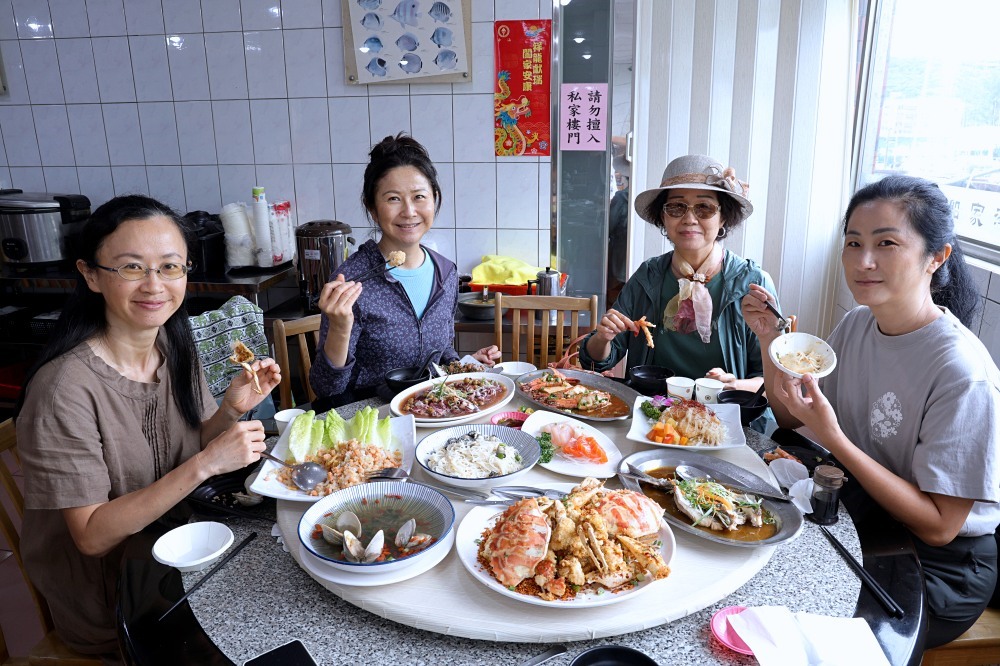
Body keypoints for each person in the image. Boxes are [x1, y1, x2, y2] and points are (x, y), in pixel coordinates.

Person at [14, 195, 280, 660]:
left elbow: (188, 444)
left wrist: (229, 412)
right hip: (115, 598)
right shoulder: (64, 389)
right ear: (91, 274)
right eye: (132, 268)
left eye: (170, 267)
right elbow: (92, 535)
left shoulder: (173, 345)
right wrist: (204, 465)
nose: (154, 285)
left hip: (177, 544)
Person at [742, 175, 1000, 647]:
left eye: (886, 243)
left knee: (806, 626)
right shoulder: (859, 323)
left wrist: (835, 439)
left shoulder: (962, 371)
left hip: (939, 565)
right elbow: (790, 419)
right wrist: (766, 339)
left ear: (936, 257)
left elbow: (942, 526)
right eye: (853, 243)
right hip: (863, 515)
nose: (864, 261)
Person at [311, 134, 500, 403]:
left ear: (434, 199)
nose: (409, 211)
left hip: (433, 414)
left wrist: (464, 365)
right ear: (372, 208)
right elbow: (327, 390)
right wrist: (340, 329)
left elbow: (442, 352)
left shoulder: (446, 273)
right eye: (393, 199)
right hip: (373, 422)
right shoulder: (350, 281)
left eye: (419, 196)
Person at [580, 154, 778, 395]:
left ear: (723, 216)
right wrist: (602, 337)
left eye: (704, 208)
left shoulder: (751, 283)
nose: (689, 219)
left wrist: (734, 386)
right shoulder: (648, 276)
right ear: (663, 216)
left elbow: (774, 381)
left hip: (729, 416)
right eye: (676, 207)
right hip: (652, 416)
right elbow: (599, 361)